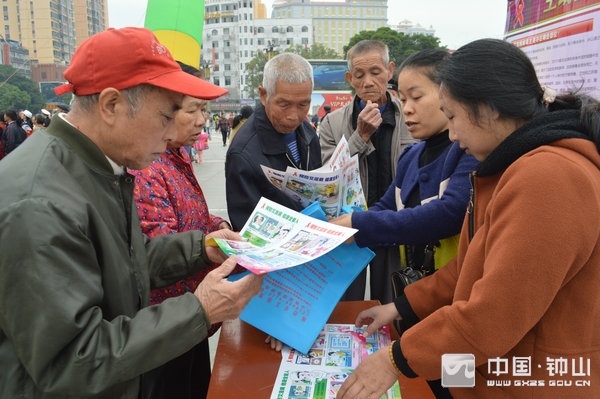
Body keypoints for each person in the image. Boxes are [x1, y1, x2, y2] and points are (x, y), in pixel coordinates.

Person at [0, 27, 263, 399]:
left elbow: (127, 262)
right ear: (111, 105)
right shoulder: (39, 203)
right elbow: (73, 358)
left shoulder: (98, 167)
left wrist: (202, 249)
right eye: (166, 115)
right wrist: (199, 309)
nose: (173, 133)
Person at [337, 38, 600, 399]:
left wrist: (395, 360)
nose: (455, 135)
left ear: (486, 109)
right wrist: (401, 306)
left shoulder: (548, 177)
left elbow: (494, 316)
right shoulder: (514, 166)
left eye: (454, 116)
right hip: (487, 366)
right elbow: (471, 267)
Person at [329, 48, 478, 310]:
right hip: (418, 291)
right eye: (404, 98)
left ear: (448, 94)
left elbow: (448, 213)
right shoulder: (412, 155)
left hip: (456, 296)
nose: (407, 109)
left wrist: (357, 223)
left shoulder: (467, 151)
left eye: (417, 98)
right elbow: (386, 207)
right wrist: (338, 226)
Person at [130, 61, 239, 399]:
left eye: (204, 110)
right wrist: (207, 246)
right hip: (166, 329)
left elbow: (193, 218)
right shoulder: (148, 170)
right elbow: (159, 252)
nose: (202, 121)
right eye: (193, 110)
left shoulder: (174, 157)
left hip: (190, 321)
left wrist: (217, 226)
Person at [318, 39, 414, 302]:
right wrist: (359, 137)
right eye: (359, 75)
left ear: (390, 71)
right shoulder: (332, 123)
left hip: (395, 223)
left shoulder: (410, 118)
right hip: (350, 226)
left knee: (394, 299)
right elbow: (328, 178)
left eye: (376, 72)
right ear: (350, 78)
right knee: (347, 302)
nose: (368, 82)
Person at [225, 52, 322, 231]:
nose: (294, 116)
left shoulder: (308, 133)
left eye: (303, 105)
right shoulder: (243, 153)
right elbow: (247, 228)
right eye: (284, 105)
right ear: (263, 95)